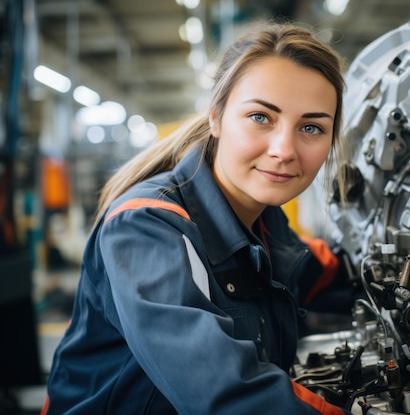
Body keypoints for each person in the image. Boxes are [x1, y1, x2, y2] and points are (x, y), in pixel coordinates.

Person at [44, 21, 356, 415]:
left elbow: (317, 272)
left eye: (311, 127)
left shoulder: (264, 220)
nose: (284, 149)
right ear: (216, 117)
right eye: (261, 117)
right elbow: (226, 392)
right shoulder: (146, 226)